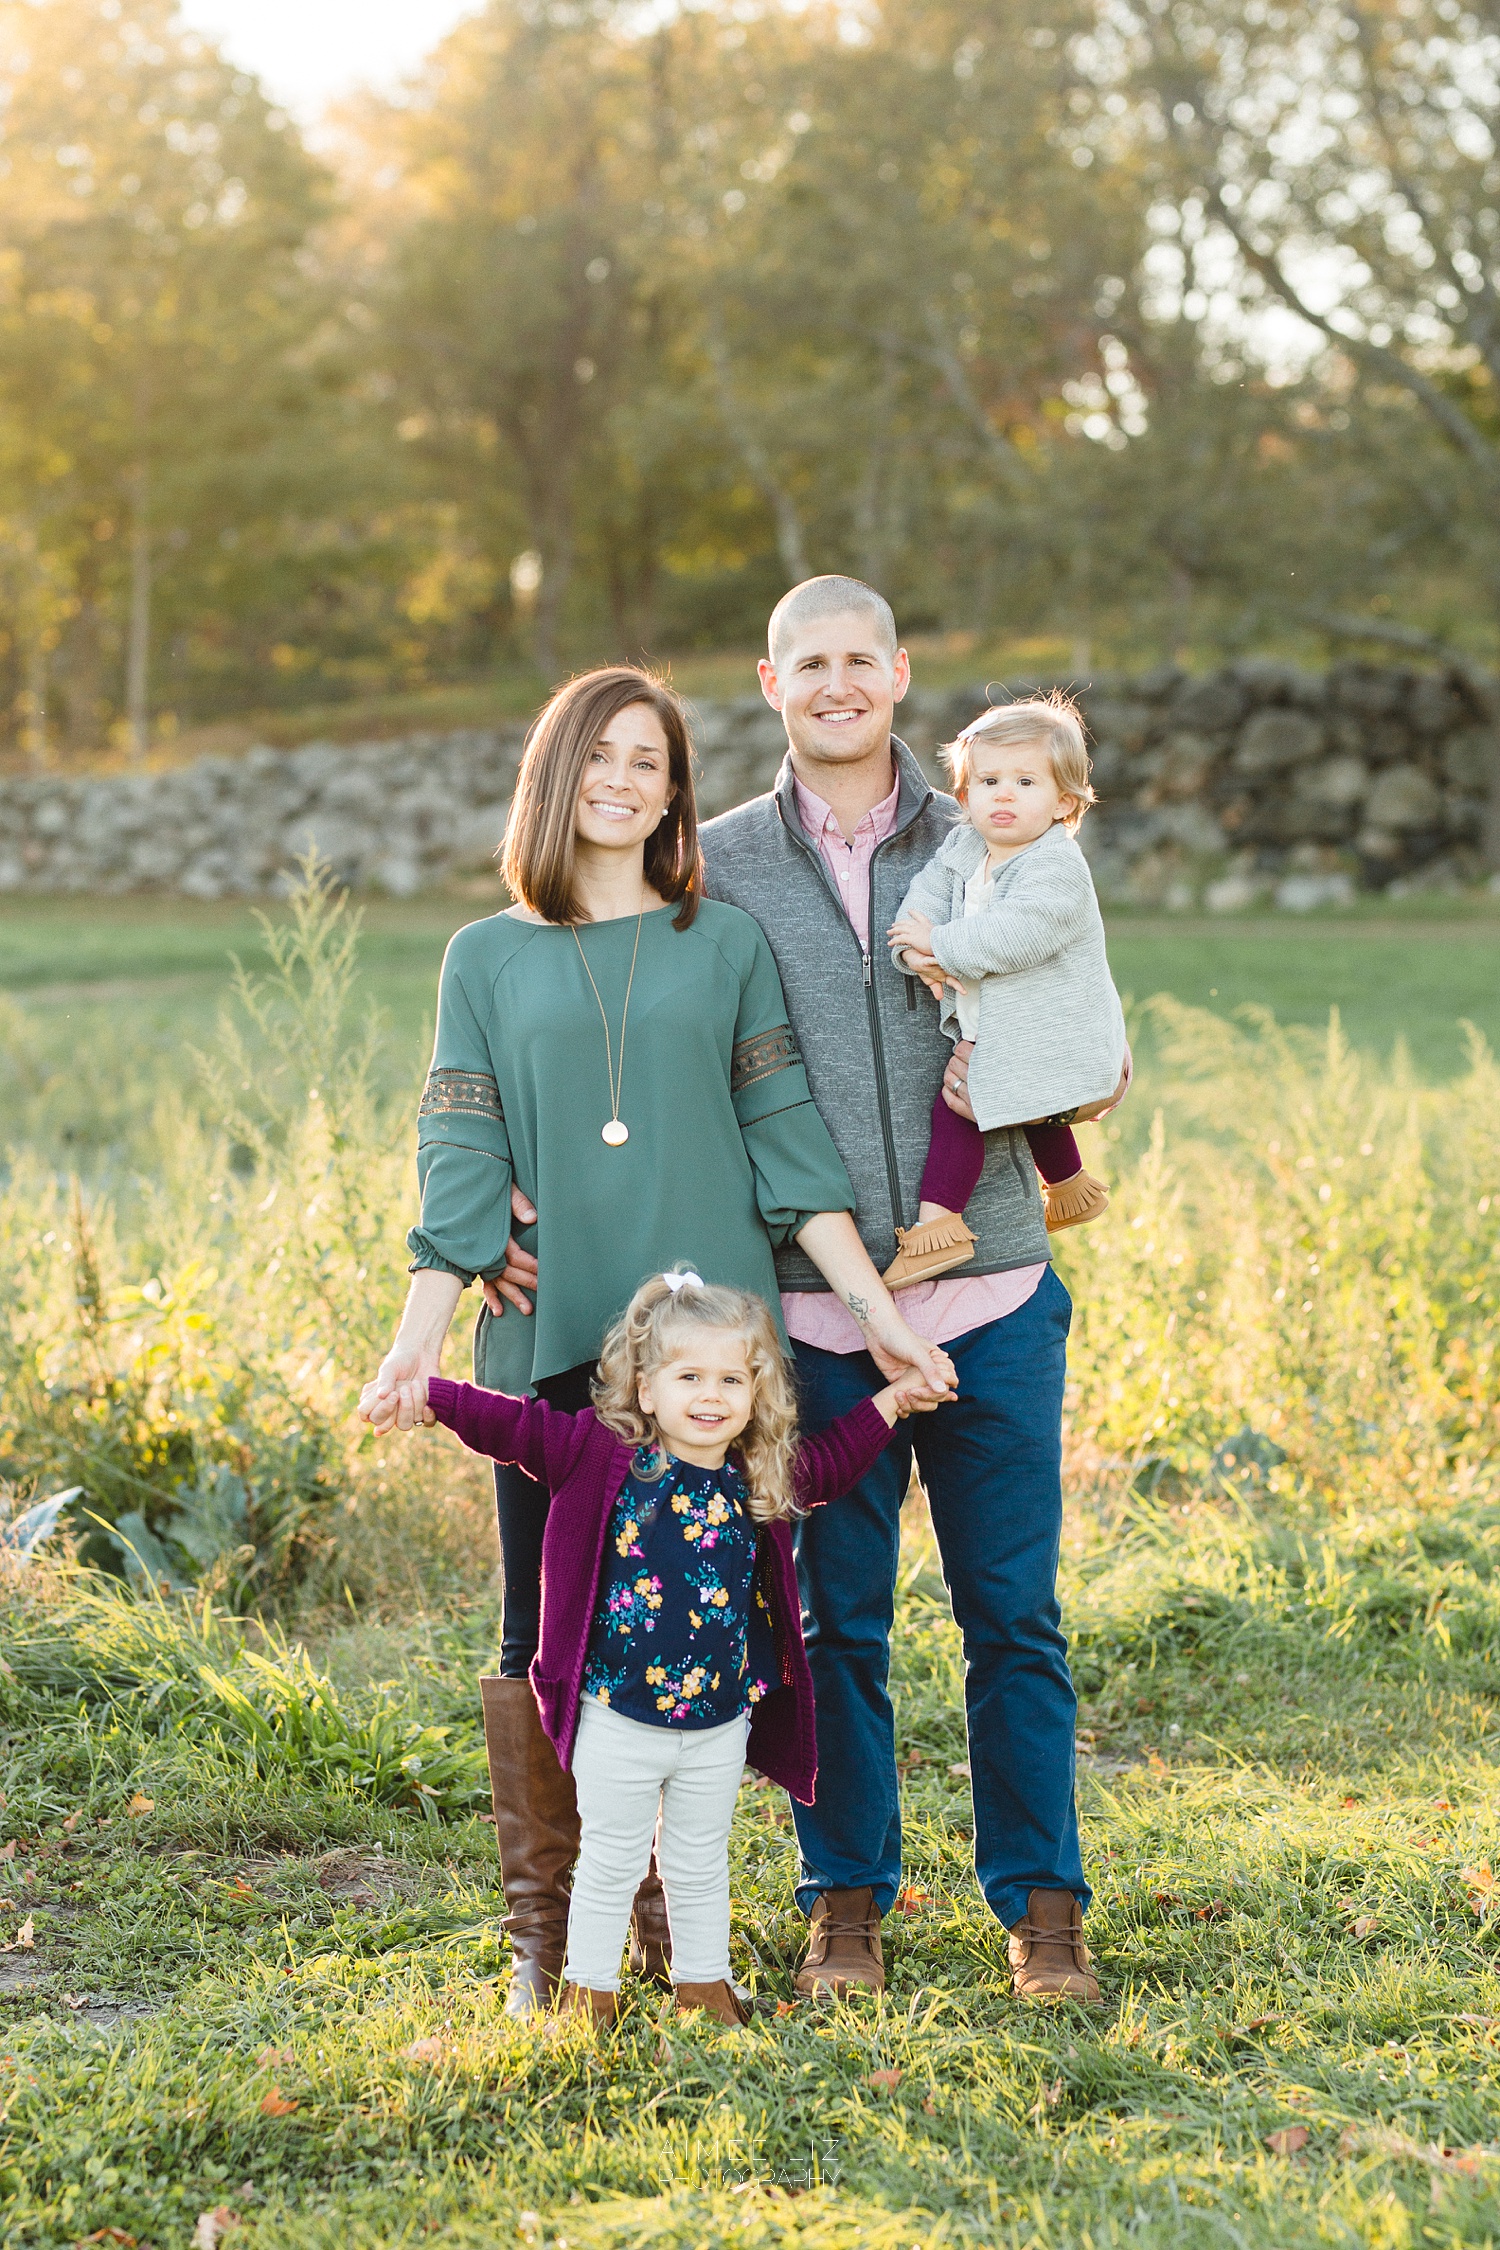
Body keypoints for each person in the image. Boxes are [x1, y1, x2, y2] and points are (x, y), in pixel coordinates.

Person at [358, 663, 955, 2019]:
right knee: (542, 1624)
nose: (626, 782)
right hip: (555, 1338)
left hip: (706, 1365)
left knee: (699, 1623)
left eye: (653, 761)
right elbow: (462, 1151)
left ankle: (672, 1921)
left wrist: (883, 1324)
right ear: (555, 776)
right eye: (601, 757)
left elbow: (791, 1160)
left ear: (675, 790)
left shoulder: (722, 943)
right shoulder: (484, 955)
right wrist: (416, 1340)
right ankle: (548, 1929)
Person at [699, 575, 1129, 2005]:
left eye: (859, 658)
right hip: (817, 1320)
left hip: (997, 1284)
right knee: (834, 1625)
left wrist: (1091, 1078)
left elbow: (1086, 1003)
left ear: (898, 671)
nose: (836, 682)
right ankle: (845, 1903)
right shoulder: (719, 863)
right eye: (807, 661)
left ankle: (1045, 1906)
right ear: (772, 683)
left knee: (1014, 1613)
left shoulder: (995, 823)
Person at [366, 1270, 946, 2025]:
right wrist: (431, 1395)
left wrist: (891, 1402)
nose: (711, 1395)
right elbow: (512, 1426)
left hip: (716, 1723)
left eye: (732, 1378)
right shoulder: (598, 1455)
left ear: (756, 1391)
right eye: (690, 1376)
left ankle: (703, 1986)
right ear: (645, 1389)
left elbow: (830, 1465)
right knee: (611, 1861)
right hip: (618, 1718)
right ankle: (589, 1991)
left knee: (700, 1863)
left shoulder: (754, 1474)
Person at [882, 692, 1127, 1286]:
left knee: (965, 1104)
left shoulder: (1056, 866)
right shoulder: (967, 845)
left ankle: (936, 1230)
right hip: (1006, 1019)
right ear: (964, 796)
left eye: (1025, 780)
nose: (1005, 794)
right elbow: (929, 889)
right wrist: (913, 945)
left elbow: (1015, 935)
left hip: (1060, 1025)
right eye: (989, 780)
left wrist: (939, 944)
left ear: (1064, 801)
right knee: (1030, 1109)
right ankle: (1071, 1190)